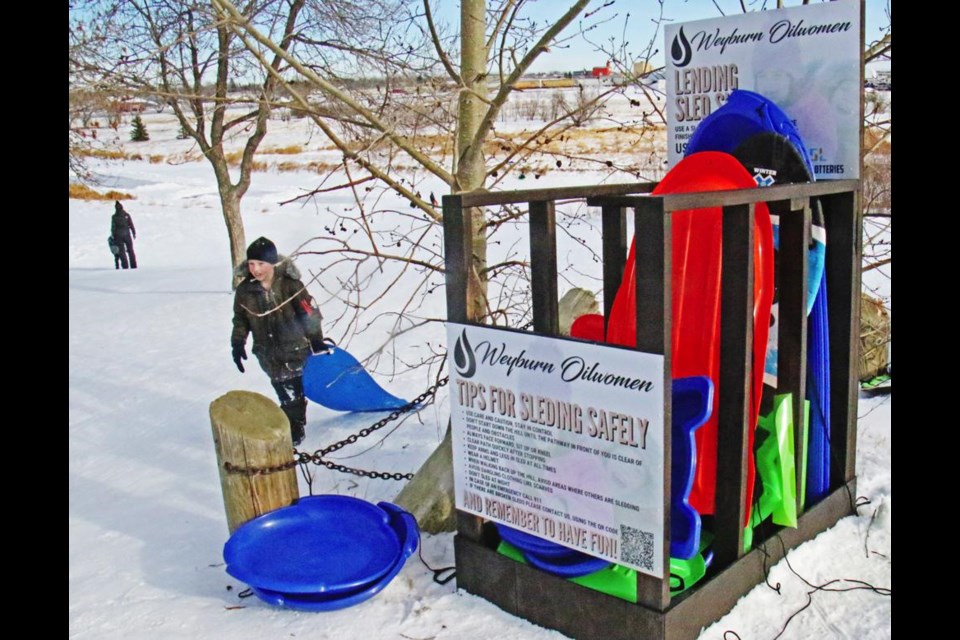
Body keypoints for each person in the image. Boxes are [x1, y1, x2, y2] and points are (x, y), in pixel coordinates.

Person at [231, 237, 328, 445]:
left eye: (261, 264)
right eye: (251, 264)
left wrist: (316, 339)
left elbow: (309, 313)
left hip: (294, 348)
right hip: (268, 353)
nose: (255, 269)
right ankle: (293, 425)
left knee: (293, 390)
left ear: (272, 263)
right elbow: (240, 319)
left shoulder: (290, 285)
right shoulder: (245, 291)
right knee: (283, 388)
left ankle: (294, 428)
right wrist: (237, 343)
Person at [111, 201, 138, 269]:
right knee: (130, 250)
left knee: (122, 252)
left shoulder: (114, 217)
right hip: (127, 234)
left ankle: (125, 266)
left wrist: (113, 235)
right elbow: (131, 224)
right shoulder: (127, 215)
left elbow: (113, 227)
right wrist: (133, 232)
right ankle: (133, 265)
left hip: (118, 235)